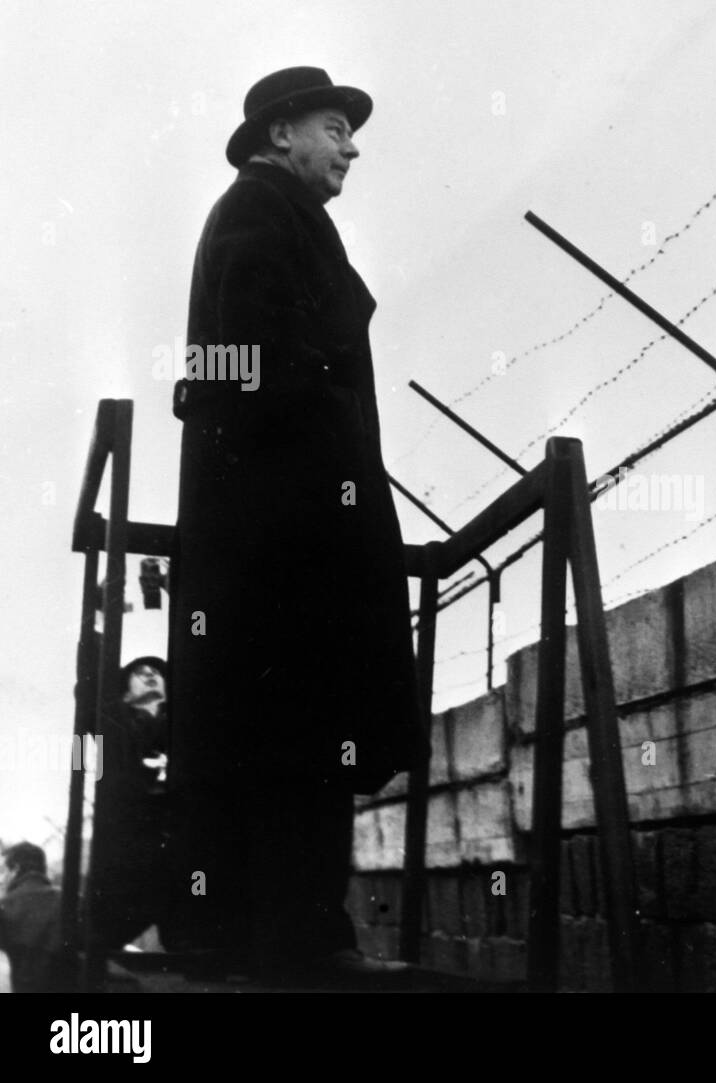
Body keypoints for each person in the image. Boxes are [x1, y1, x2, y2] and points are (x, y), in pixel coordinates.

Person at [168, 67, 425, 983]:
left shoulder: (269, 214)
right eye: (333, 127)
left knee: (283, 724)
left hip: (278, 527)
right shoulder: (258, 214)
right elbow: (248, 371)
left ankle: (275, 934)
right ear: (281, 134)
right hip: (286, 533)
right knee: (299, 723)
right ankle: (301, 941)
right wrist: (321, 484)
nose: (350, 146)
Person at [87, 656, 174, 954]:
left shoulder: (182, 720)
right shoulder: (115, 723)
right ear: (125, 692)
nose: (150, 676)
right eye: (140, 673)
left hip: (175, 824)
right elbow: (88, 706)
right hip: (131, 826)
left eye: (156, 673)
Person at [0, 842, 74, 993]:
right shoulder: (72, 901)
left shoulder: (6, 907)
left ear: (15, 869)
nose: (1, 880)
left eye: (2, 871)